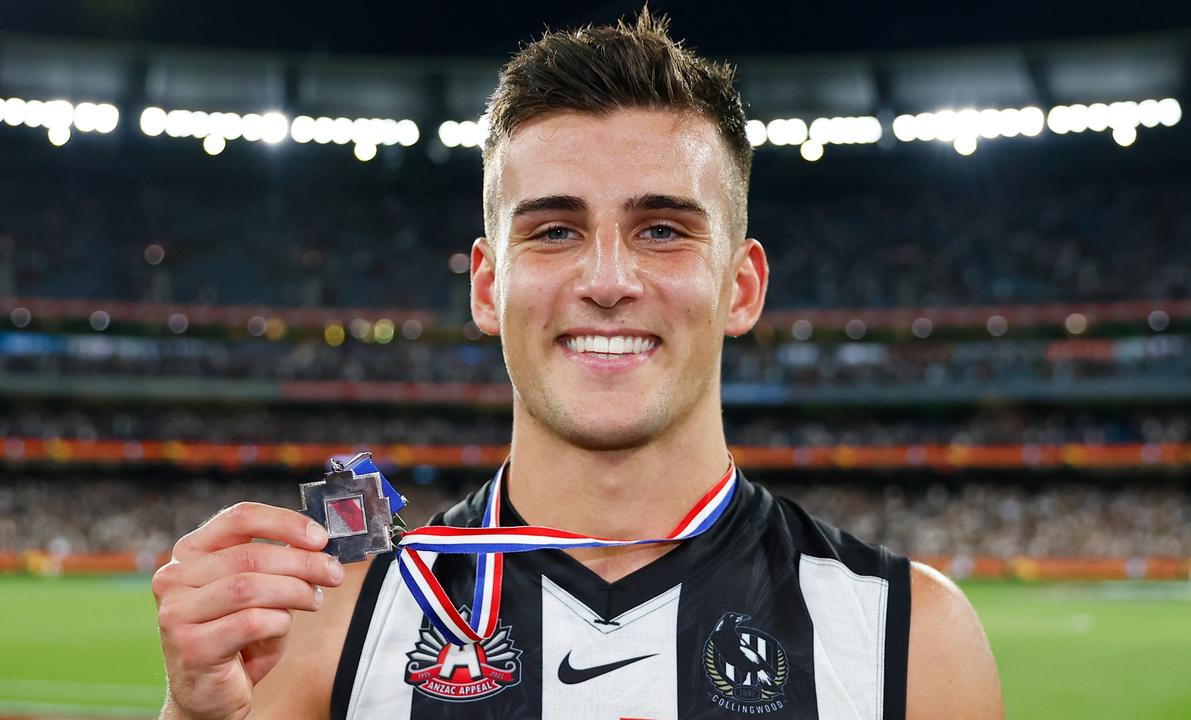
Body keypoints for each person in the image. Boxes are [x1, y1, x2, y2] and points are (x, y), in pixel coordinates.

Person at [152, 9, 1002, 719]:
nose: (606, 281)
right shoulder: (329, 621)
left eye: (662, 229)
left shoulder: (913, 639)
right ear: (487, 287)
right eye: (554, 230)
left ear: (741, 286)